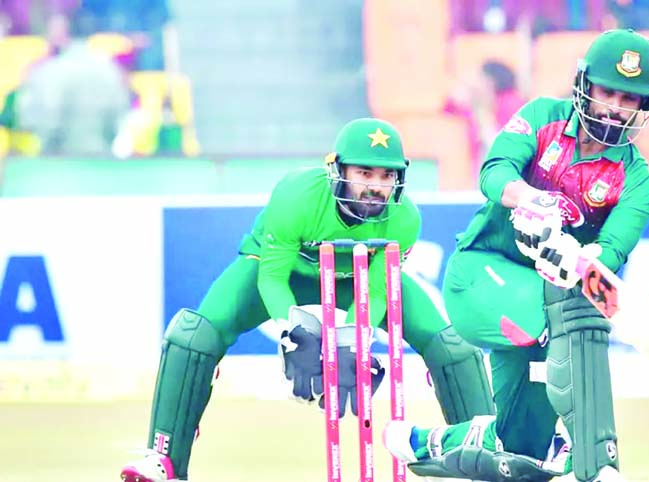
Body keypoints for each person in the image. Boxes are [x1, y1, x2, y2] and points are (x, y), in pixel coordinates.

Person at [119, 118, 495, 482]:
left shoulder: (405, 219)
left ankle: (491, 460)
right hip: (284, 273)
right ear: (337, 168)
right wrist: (293, 330)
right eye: (364, 173)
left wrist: (356, 336)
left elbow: (378, 291)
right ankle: (164, 459)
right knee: (192, 335)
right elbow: (272, 277)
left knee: (453, 347)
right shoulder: (297, 194)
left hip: (355, 279)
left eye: (386, 176)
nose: (375, 187)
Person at [383, 28, 649, 482]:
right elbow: (494, 171)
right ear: (585, 84)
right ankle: (591, 457)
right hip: (481, 275)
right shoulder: (542, 118)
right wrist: (531, 200)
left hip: (544, 312)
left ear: (646, 105)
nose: (615, 107)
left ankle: (427, 443)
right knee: (570, 310)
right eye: (608, 91)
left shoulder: (637, 182)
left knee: (518, 448)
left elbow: (608, 254)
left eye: (629, 98)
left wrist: (577, 257)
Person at [16, 10, 130, 156]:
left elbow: (32, 121)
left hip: (57, 163)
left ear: (65, 33)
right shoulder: (111, 70)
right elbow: (120, 116)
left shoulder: (48, 71)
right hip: (102, 160)